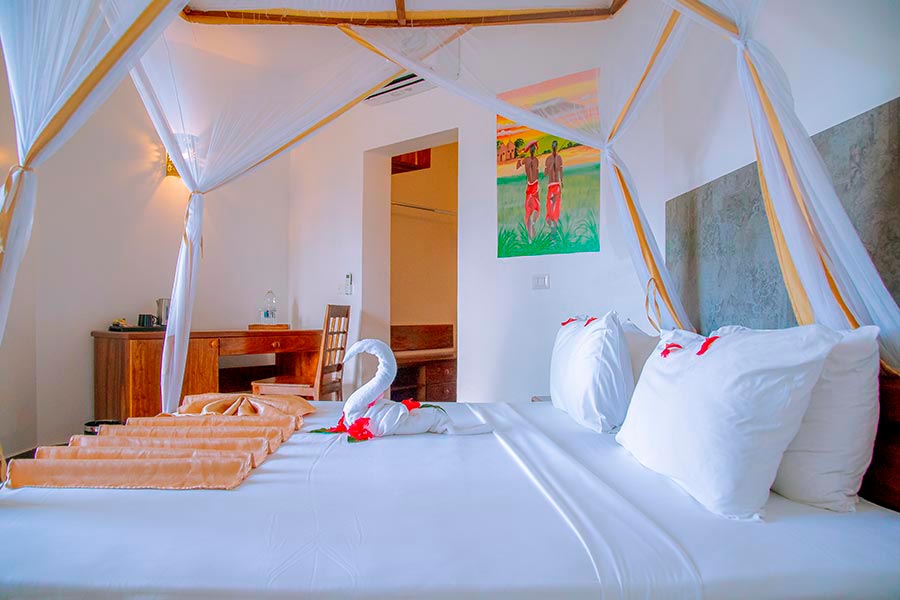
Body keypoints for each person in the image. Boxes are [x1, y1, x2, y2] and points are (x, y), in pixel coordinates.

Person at [516, 141, 541, 240]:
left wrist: (519, 156)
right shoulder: (536, 160)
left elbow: (517, 166)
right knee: (537, 208)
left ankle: (530, 234)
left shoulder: (526, 160)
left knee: (528, 212)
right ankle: (533, 225)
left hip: (530, 187)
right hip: (535, 186)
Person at [544, 140, 564, 231]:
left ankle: (554, 224)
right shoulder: (549, 159)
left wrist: (561, 181)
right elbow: (545, 174)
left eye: (555, 145)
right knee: (550, 204)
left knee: (555, 204)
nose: (554, 147)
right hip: (551, 185)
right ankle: (551, 223)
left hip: (555, 184)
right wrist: (550, 167)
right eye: (554, 145)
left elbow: (561, 171)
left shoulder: (558, 158)